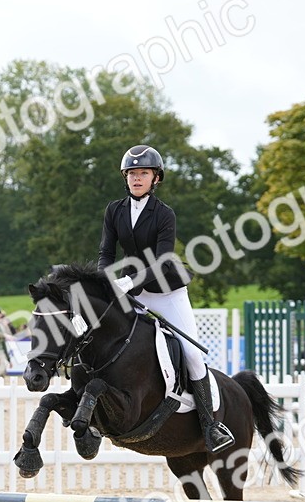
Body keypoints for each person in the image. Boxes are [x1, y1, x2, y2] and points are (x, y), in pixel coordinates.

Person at [98, 144, 234, 452]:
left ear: (155, 178)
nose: (136, 178)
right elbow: (106, 253)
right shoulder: (114, 210)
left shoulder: (164, 215)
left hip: (166, 292)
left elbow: (160, 261)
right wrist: (105, 282)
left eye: (143, 173)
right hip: (131, 291)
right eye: (132, 173)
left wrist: (129, 281)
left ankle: (210, 426)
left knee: (192, 355)